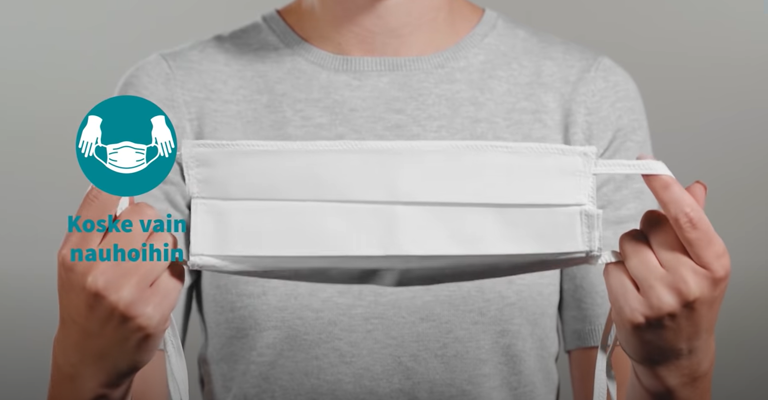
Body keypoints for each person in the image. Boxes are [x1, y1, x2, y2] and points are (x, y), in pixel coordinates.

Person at [48, 1, 731, 399]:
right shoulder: (164, 100)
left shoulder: (585, 95)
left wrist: (679, 369)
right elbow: (131, 363)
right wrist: (82, 366)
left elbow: (611, 378)